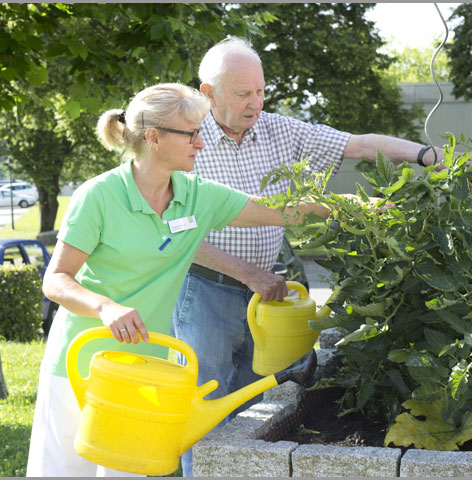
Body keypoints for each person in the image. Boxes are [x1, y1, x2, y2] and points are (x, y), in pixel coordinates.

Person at [172, 36, 450, 476]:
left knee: (250, 414)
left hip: (263, 295)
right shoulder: (185, 143)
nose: (255, 103)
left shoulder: (279, 130)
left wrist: (427, 155)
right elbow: (178, 236)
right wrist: (249, 274)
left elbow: (356, 145)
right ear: (207, 93)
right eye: (243, 93)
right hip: (206, 291)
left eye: (261, 91)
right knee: (201, 407)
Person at [25, 82, 329, 477]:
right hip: (80, 365)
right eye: (192, 134)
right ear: (153, 137)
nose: (201, 144)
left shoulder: (197, 195)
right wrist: (106, 307)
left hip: (147, 370)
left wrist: (356, 207)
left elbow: (278, 211)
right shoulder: (98, 196)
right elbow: (57, 280)